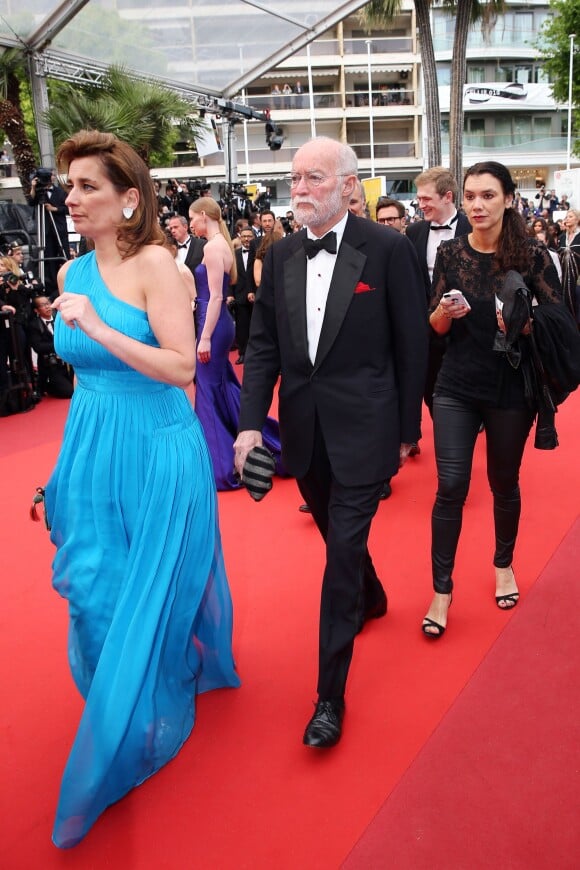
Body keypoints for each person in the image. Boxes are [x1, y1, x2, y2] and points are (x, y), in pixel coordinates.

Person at [44, 130, 240, 848]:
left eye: (88, 186)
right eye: (70, 186)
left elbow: (182, 368)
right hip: (94, 448)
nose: (73, 197)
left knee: (145, 590)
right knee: (92, 589)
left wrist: (96, 323)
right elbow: (83, 383)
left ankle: (130, 728)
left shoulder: (157, 264)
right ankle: (121, 697)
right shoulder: (68, 273)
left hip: (159, 449)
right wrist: (59, 473)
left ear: (130, 199)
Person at [234, 137, 427, 748]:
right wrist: (246, 425)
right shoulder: (283, 252)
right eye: (294, 179)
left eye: (313, 178)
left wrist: (405, 431)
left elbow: (411, 344)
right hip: (303, 431)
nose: (299, 190)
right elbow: (262, 345)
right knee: (334, 533)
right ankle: (371, 596)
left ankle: (328, 698)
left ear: (349, 186)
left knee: (339, 553)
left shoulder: (390, 250)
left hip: (368, 427)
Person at [421, 161, 562, 640]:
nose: (477, 205)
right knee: (451, 486)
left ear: (507, 199)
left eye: (487, 196)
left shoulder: (534, 256)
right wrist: (442, 311)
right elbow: (435, 327)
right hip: (456, 385)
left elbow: (561, 322)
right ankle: (441, 589)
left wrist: (524, 323)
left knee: (504, 481)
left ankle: (503, 564)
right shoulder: (450, 254)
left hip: (511, 387)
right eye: (470, 196)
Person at [188, 196, 285, 490]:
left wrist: (204, 337)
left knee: (206, 389)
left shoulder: (214, 247)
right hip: (214, 323)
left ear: (204, 215)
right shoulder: (220, 246)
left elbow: (216, 295)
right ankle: (258, 446)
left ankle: (219, 466)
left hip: (213, 326)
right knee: (221, 387)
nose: (190, 223)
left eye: (191, 217)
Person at [406, 166, 472, 417]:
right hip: (428, 328)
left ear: (447, 197)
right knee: (431, 390)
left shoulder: (473, 228)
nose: (420, 204)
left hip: (468, 327)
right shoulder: (414, 232)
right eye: (419, 198)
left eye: (426, 198)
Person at [26, 170, 70, 299]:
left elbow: (67, 208)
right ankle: (51, 289)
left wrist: (54, 209)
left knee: (63, 255)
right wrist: (33, 187)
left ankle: (67, 283)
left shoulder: (60, 192)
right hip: (45, 231)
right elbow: (31, 202)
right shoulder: (38, 192)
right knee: (48, 258)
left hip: (59, 229)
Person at [28, 295, 74, 398]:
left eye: (48, 303)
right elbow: (38, 347)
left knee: (79, 387)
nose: (47, 307)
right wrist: (59, 345)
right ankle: (46, 386)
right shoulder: (34, 325)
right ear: (36, 310)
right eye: (43, 305)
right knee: (68, 392)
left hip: (67, 363)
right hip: (51, 366)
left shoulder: (60, 318)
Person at [228, 226, 256, 364]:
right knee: (242, 327)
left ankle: (256, 354)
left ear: (254, 237)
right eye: (244, 236)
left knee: (257, 326)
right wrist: (230, 294)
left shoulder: (258, 253)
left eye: (249, 236)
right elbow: (230, 276)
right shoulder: (234, 254)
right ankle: (243, 353)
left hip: (256, 296)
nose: (246, 239)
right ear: (240, 237)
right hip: (239, 295)